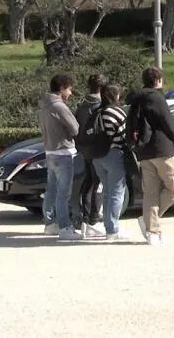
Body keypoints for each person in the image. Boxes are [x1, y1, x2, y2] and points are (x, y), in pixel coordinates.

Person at [127, 67, 174, 245]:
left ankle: (152, 231)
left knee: (150, 192)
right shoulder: (156, 98)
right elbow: (167, 122)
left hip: (143, 150)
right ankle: (150, 222)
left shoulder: (136, 99)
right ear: (158, 80)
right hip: (161, 148)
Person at [40, 74, 83, 240]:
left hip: (50, 152)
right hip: (64, 152)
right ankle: (65, 227)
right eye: (70, 89)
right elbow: (75, 128)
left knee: (51, 190)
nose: (70, 93)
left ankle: (50, 223)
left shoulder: (44, 105)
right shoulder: (59, 106)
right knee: (63, 193)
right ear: (62, 88)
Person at [92, 84, 130, 240]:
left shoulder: (97, 112)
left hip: (97, 156)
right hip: (114, 154)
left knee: (107, 191)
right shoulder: (116, 111)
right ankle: (112, 229)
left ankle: (108, 227)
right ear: (116, 95)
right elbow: (124, 133)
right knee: (117, 192)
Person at [74, 73, 107, 238]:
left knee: (88, 181)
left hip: (83, 148)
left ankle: (85, 217)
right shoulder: (100, 105)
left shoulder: (81, 104)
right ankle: (94, 218)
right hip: (96, 149)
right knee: (97, 183)